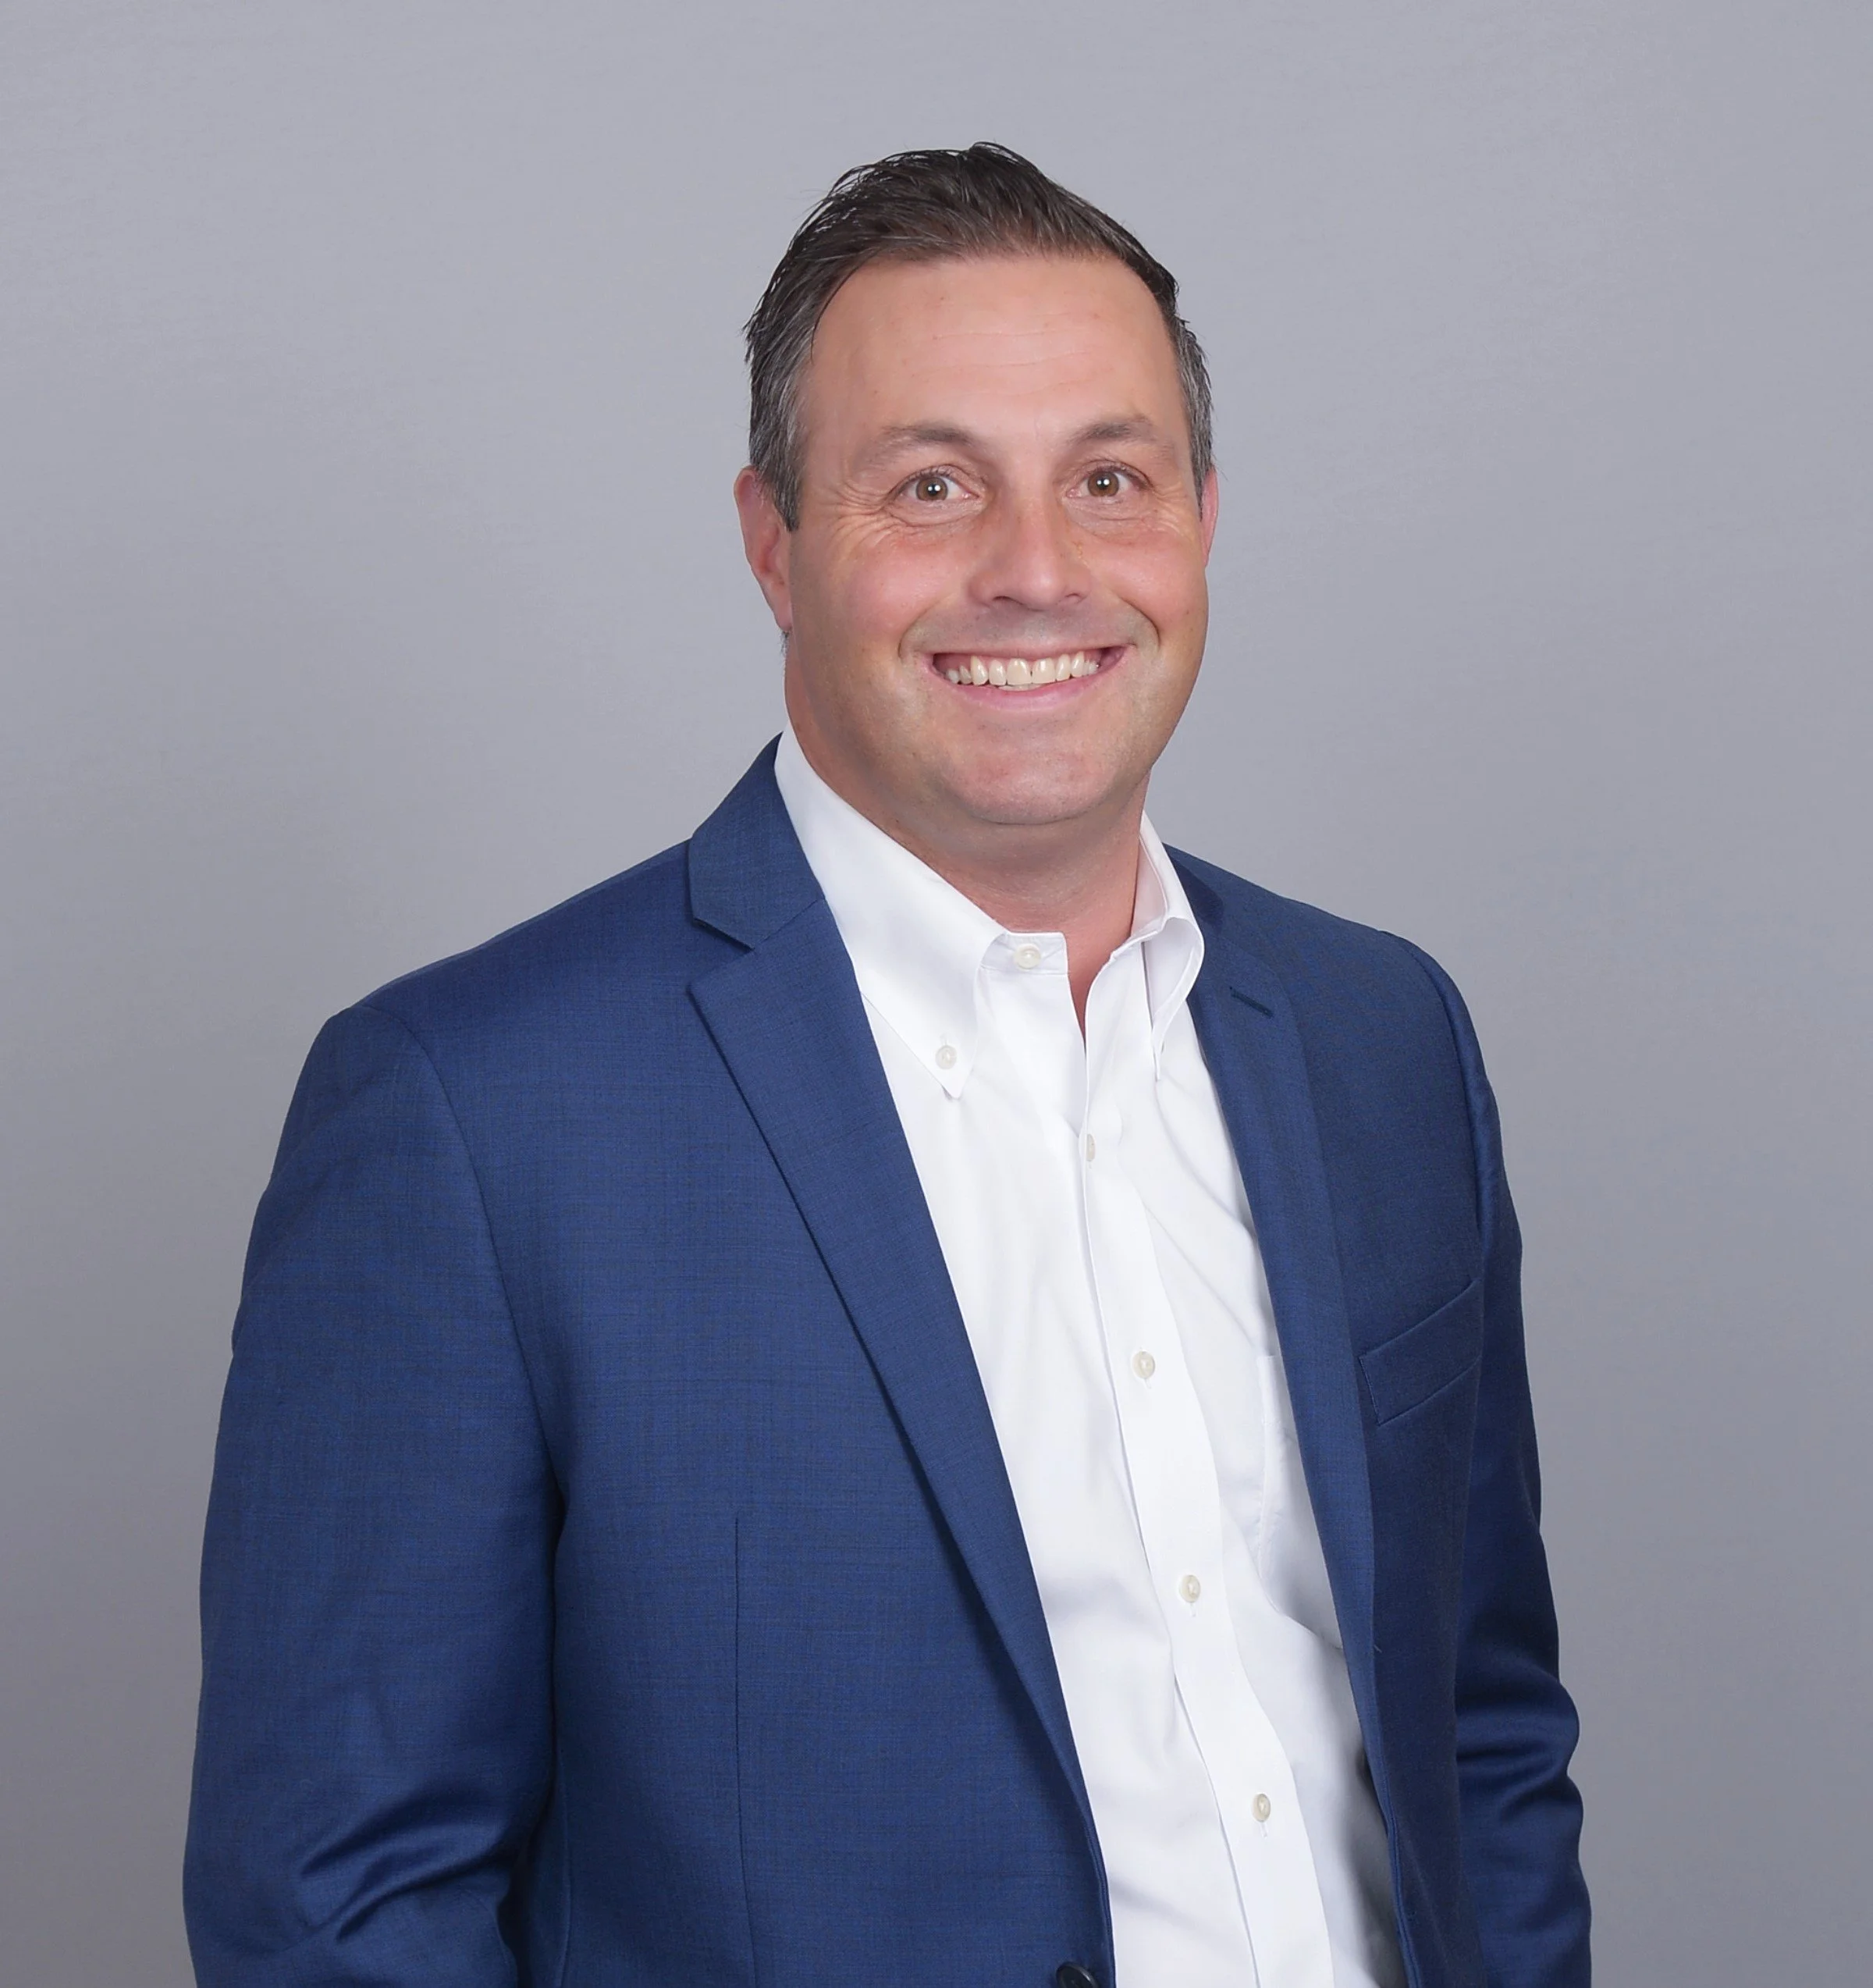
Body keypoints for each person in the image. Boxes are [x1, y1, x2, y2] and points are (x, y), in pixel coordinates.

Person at [185, 144, 1589, 1988]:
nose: (1037, 569)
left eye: (1110, 478)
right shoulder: (472, 1115)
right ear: (773, 541)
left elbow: (1484, 1736)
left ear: (1204, 517)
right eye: (931, 486)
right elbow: (339, 1910)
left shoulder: (1385, 1041)